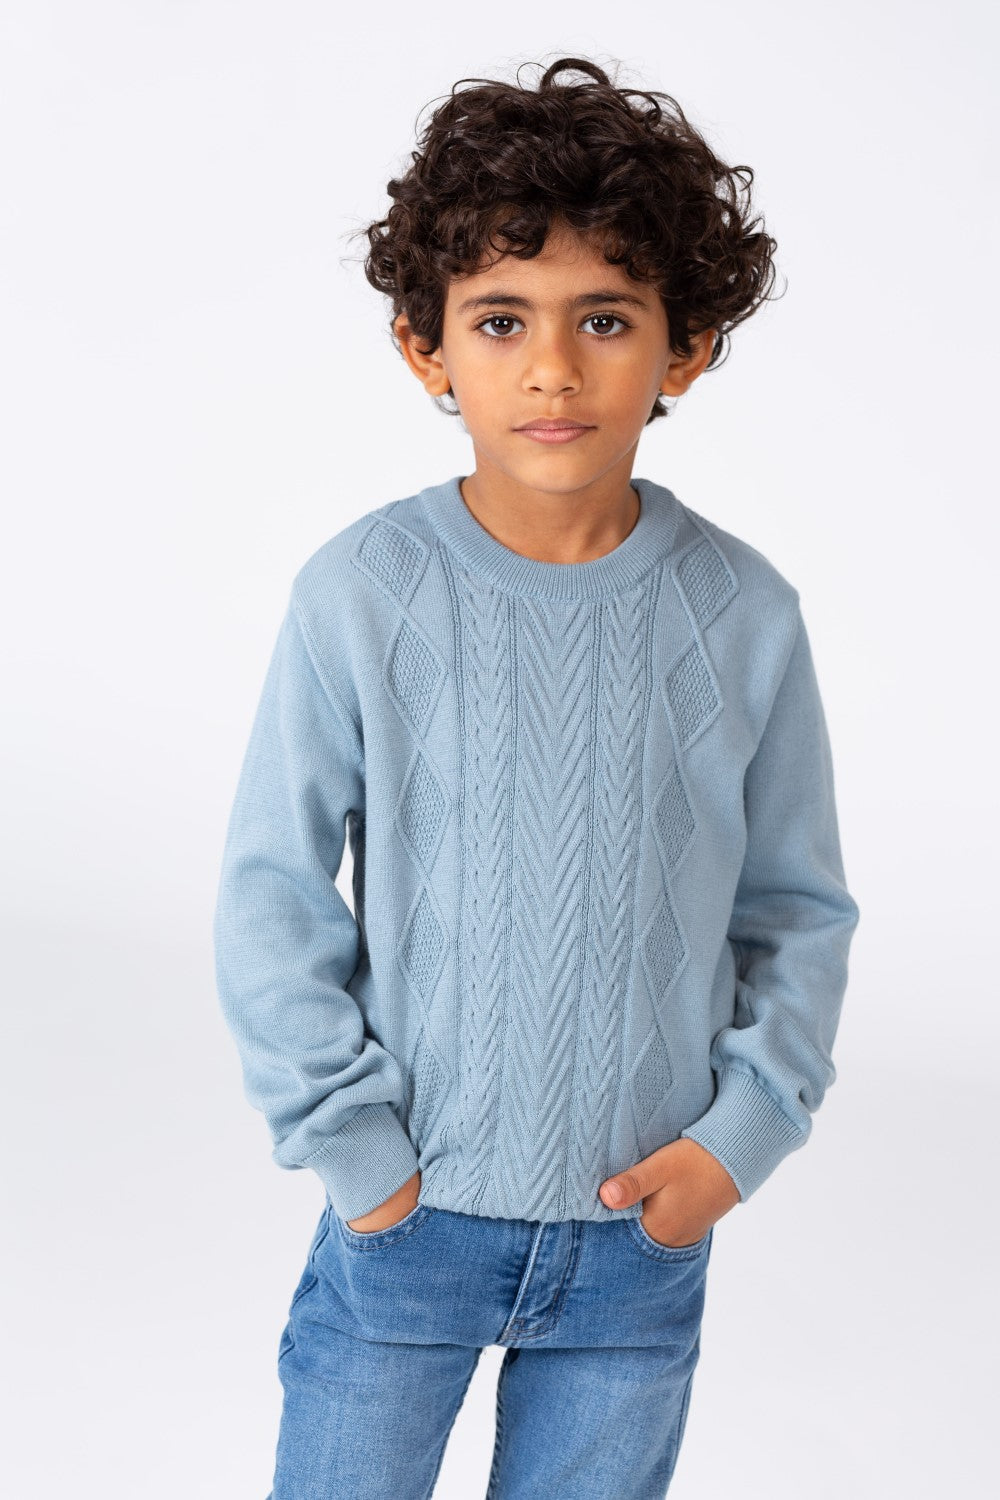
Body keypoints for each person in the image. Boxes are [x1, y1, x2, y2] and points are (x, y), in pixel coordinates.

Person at [213, 55, 861, 1499]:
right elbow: (270, 892)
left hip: (640, 1237)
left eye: (605, 320)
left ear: (687, 349)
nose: (553, 367)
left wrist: (739, 1140)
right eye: (501, 320)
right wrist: (356, 1150)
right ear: (425, 348)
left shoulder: (745, 617)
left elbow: (798, 910)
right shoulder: (361, 594)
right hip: (408, 1221)